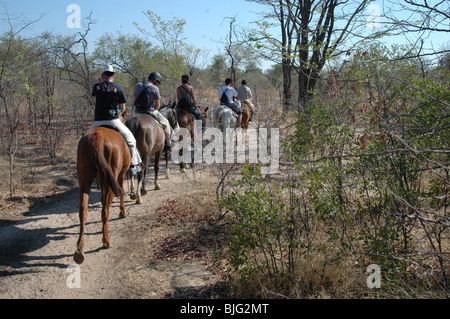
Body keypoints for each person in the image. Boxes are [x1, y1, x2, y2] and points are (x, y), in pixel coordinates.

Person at [89, 65, 142, 175]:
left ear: (103, 75)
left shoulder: (96, 87)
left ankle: (84, 166)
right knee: (131, 140)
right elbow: (122, 108)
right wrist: (118, 112)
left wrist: (100, 83)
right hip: (113, 120)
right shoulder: (118, 88)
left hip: (97, 121)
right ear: (114, 75)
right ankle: (134, 165)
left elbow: (96, 94)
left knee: (84, 141)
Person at [133, 72, 176, 149]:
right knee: (166, 123)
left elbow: (134, 100)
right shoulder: (155, 88)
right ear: (155, 80)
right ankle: (169, 142)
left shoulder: (138, 85)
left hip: (137, 111)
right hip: (150, 111)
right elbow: (157, 105)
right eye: (158, 83)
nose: (157, 85)